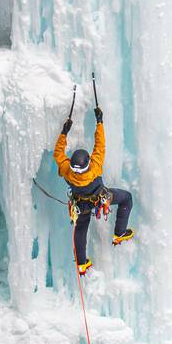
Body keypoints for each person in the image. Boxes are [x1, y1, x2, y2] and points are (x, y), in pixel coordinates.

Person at [53, 104, 134, 274]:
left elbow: (58, 154)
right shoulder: (95, 167)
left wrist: (64, 132)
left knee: (81, 227)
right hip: (101, 200)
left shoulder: (67, 171)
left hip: (80, 206)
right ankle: (119, 233)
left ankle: (82, 263)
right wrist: (99, 122)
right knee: (126, 198)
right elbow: (100, 145)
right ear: (88, 164)